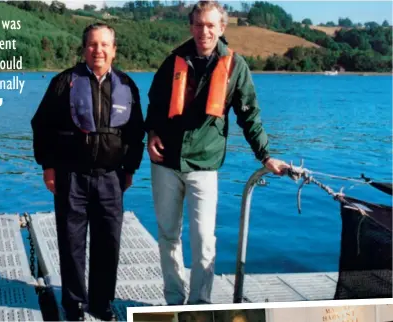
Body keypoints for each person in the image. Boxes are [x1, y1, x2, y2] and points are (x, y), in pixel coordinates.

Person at [145, 1, 289, 305]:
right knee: (169, 237)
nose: (204, 31)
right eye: (198, 25)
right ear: (191, 27)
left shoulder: (236, 67)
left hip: (204, 166)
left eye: (211, 25)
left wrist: (265, 156)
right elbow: (155, 104)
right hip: (166, 165)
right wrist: (152, 133)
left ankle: (200, 304)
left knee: (203, 242)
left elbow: (250, 116)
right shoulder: (173, 61)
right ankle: (174, 299)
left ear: (222, 28)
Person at [31, 23, 145, 321]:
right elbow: (41, 125)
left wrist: (130, 168)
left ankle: (101, 303)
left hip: (111, 177)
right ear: (84, 49)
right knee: (71, 244)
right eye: (93, 44)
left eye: (105, 44)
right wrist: (48, 166)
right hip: (71, 176)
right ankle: (74, 305)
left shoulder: (127, 85)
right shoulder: (62, 82)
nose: (99, 50)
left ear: (114, 50)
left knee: (109, 243)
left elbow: (136, 133)